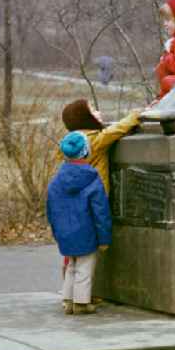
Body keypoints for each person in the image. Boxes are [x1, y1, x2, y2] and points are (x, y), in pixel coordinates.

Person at [46, 131, 111, 315]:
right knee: (84, 267)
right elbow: (100, 210)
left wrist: (56, 231)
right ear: (86, 152)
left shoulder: (57, 179)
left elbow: (50, 208)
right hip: (87, 232)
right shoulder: (92, 177)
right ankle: (81, 303)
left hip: (64, 232)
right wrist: (104, 237)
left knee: (71, 266)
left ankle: (68, 300)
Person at [59, 99, 140, 194]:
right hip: (96, 198)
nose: (98, 112)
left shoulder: (69, 143)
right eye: (93, 110)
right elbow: (116, 130)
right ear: (85, 118)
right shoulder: (93, 141)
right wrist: (136, 115)